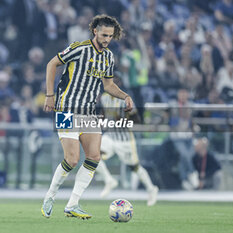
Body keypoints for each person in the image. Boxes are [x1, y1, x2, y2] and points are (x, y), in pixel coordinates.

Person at [41, 14, 134, 219]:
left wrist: (125, 96)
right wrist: (50, 95)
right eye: (103, 35)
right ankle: (50, 196)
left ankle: (73, 204)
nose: (107, 39)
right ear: (95, 32)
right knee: (72, 159)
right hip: (67, 109)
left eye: (110, 36)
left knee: (94, 157)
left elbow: (108, 85)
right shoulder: (79, 48)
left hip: (89, 112)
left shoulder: (109, 57)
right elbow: (51, 64)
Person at [95, 76, 158, 206]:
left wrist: (124, 120)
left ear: (120, 84)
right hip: (111, 136)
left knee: (134, 167)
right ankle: (109, 180)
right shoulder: (105, 97)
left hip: (125, 139)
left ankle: (151, 189)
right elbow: (103, 114)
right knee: (94, 155)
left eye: (115, 82)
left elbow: (136, 118)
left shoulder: (126, 100)